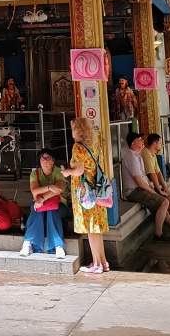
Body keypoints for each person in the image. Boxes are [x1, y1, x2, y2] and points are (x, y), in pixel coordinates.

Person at [68, 116, 110, 273]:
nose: (71, 131)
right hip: (97, 189)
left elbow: (79, 170)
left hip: (86, 192)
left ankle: (97, 264)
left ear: (78, 130)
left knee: (91, 228)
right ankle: (103, 261)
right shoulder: (94, 145)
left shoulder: (78, 147)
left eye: (73, 128)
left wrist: (67, 172)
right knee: (96, 228)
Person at [20, 148, 73, 257]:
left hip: (60, 205)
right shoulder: (35, 174)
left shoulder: (59, 171)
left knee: (52, 211)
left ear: (53, 161)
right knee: (36, 210)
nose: (44, 161)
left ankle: (57, 246)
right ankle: (28, 243)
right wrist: (49, 187)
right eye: (42, 158)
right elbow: (34, 191)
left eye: (47, 158)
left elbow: (59, 190)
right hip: (40, 204)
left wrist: (42, 198)